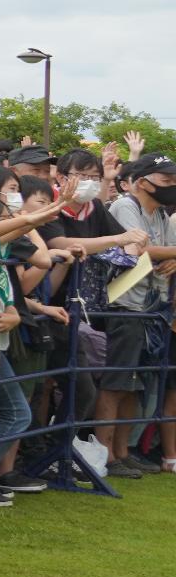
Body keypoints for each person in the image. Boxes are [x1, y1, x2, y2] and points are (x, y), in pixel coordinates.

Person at [100, 154, 176, 472]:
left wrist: (167, 256)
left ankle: (123, 449)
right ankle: (104, 455)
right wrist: (164, 255)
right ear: (143, 181)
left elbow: (162, 253)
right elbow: (138, 249)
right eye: (167, 180)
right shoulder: (126, 206)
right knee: (115, 382)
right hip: (123, 305)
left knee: (135, 383)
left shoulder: (158, 214)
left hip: (150, 306)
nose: (172, 186)